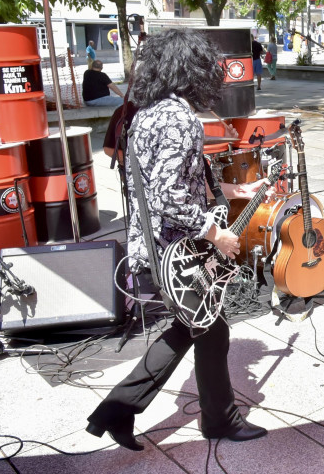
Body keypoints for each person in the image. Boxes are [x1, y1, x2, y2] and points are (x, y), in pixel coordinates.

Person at [86, 28, 270, 452]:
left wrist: (231, 193)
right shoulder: (179, 118)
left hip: (159, 244)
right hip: (179, 250)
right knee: (206, 327)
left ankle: (118, 412)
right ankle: (212, 422)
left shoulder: (149, 111)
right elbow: (168, 196)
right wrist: (216, 234)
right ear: (193, 69)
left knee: (202, 328)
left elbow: (168, 183)